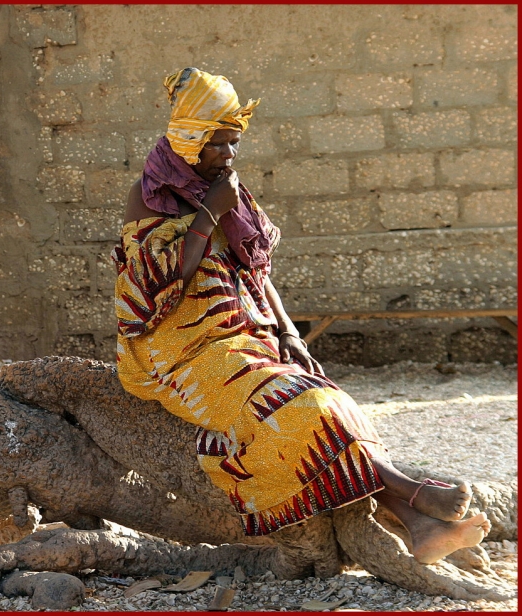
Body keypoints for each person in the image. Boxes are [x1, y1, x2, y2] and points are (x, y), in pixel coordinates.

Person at [112, 67, 490, 564]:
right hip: (177, 352)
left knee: (326, 397)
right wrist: (208, 215)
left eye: (234, 143)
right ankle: (412, 494)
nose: (228, 156)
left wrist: (292, 335)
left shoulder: (226, 186)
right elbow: (158, 284)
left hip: (243, 334)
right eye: (217, 144)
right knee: (297, 407)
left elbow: (256, 270)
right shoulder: (150, 193)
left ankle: (419, 524)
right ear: (189, 141)